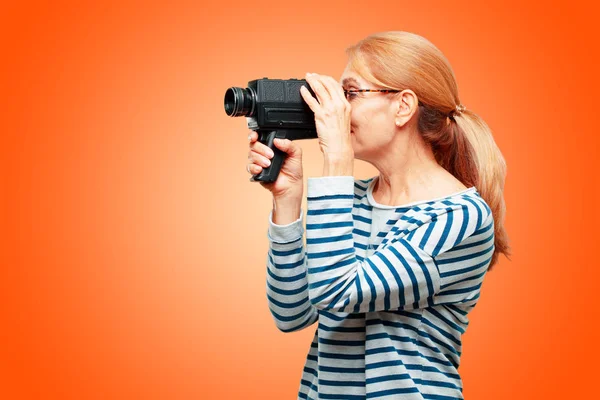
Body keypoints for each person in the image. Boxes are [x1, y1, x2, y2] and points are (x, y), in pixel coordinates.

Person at [247, 31, 511, 400]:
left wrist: (335, 158)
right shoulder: (352, 199)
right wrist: (288, 200)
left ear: (403, 106)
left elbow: (338, 293)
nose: (338, 109)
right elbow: (292, 313)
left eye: (350, 94)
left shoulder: (459, 217)